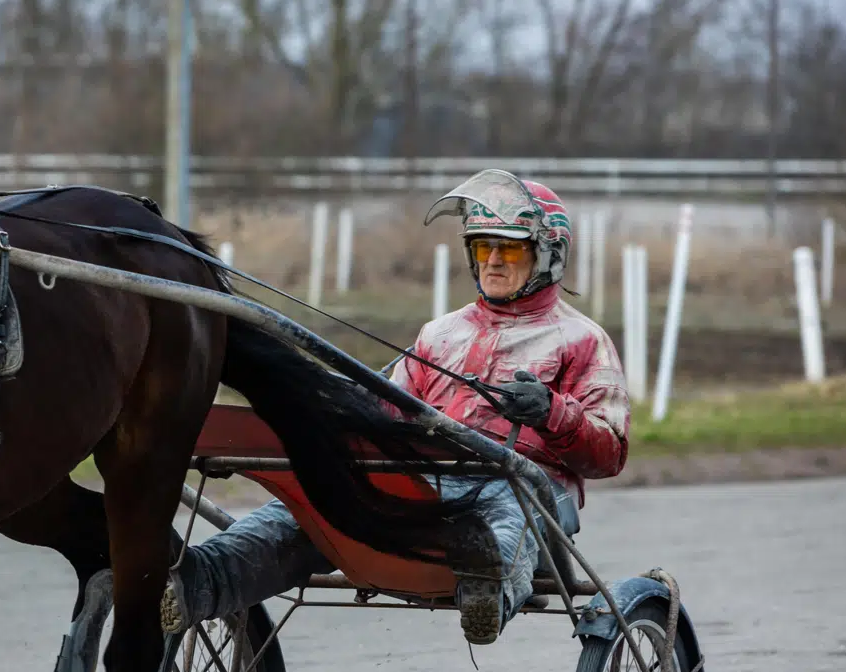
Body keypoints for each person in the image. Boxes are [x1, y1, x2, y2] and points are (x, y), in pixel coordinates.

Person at [160, 169, 630, 646]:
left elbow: (610, 453)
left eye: (507, 249)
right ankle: (201, 581)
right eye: (481, 248)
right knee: (311, 498)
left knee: (506, 506)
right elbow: (384, 412)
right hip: (423, 479)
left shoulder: (582, 339)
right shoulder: (440, 333)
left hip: (523, 491)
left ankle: (486, 587)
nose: (491, 262)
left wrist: (551, 412)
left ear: (548, 254)